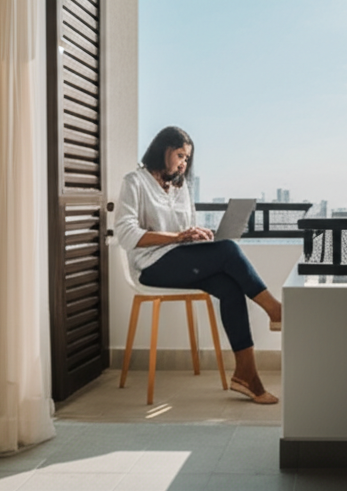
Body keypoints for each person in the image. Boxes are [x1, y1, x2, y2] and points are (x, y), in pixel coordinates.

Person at [115, 126, 282, 404]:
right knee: (229, 250)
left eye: (187, 158)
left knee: (230, 288)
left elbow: (183, 231)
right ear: (164, 150)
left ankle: (246, 376)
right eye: (180, 155)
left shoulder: (181, 187)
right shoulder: (134, 181)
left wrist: (197, 234)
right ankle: (275, 309)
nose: (184, 162)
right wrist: (179, 237)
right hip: (151, 266)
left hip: (179, 259)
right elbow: (126, 233)